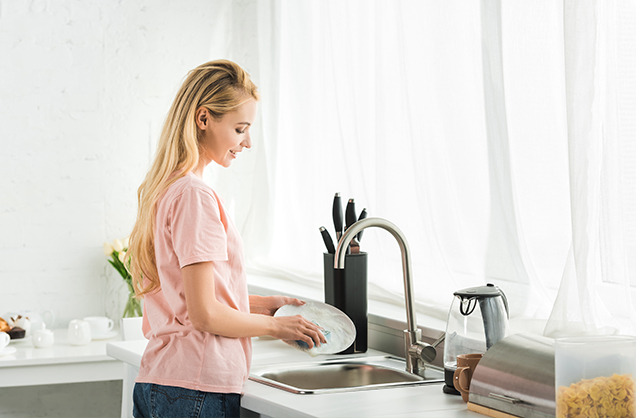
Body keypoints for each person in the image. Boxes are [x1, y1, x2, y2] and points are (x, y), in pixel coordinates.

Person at [126, 59, 325, 418]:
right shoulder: (194, 195)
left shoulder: (165, 190)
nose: (247, 142)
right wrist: (277, 326)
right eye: (239, 129)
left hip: (163, 382)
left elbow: (187, 297)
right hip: (196, 388)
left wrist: (263, 304)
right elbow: (205, 315)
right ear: (203, 119)